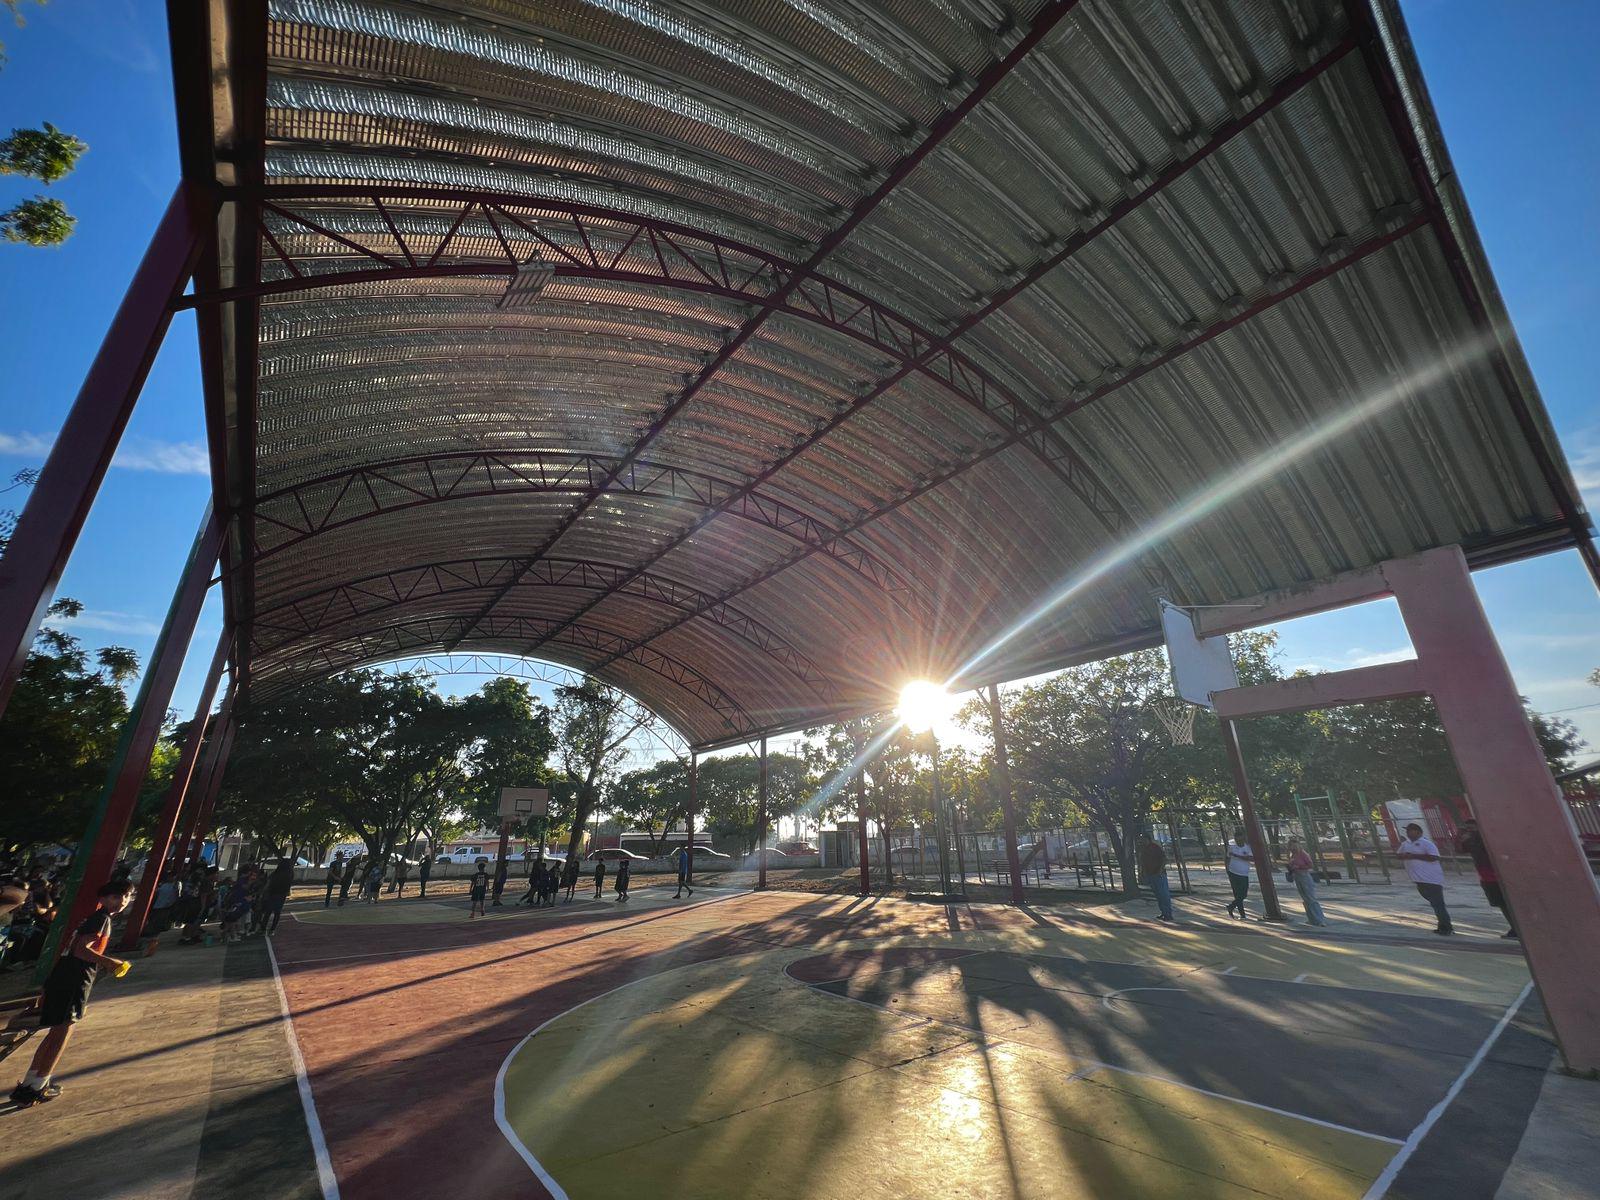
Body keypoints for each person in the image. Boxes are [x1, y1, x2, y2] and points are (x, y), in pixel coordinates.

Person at [10, 880, 134, 1107]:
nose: (122, 901)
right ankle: (38, 1087)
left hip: (63, 976)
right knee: (63, 1033)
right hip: (75, 979)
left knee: (54, 1033)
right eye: (117, 897)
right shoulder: (102, 919)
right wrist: (111, 962)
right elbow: (81, 950)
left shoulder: (92, 918)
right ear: (104, 899)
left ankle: (31, 1082)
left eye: (126, 897)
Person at [1457, 819, 1516, 938]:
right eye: (1469, 828)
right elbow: (1460, 850)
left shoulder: (1486, 838)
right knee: (1501, 904)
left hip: (1497, 875)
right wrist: (1461, 838)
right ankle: (1514, 928)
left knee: (1508, 904)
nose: (1471, 830)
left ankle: (1517, 928)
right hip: (1486, 876)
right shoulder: (1470, 839)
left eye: (1473, 828)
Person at [1397, 822, 1453, 935]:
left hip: (1432, 879)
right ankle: (1442, 925)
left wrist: (1414, 856)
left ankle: (1446, 927)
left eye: (1411, 830)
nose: (1408, 833)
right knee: (1433, 902)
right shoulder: (1406, 844)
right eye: (1407, 831)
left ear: (1418, 832)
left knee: (1438, 904)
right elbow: (1398, 855)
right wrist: (1404, 856)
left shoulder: (1426, 843)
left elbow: (1434, 857)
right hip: (1418, 879)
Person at [1283, 838, 1327, 927]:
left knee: (1311, 898)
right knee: (1305, 899)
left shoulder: (1302, 854)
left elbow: (1310, 864)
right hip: (1297, 877)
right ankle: (1311, 919)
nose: (1292, 848)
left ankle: (1320, 920)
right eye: (1290, 846)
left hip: (1304, 876)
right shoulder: (1292, 855)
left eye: (1293, 846)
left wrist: (1299, 866)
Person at [1137, 833, 1172, 922]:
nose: (1142, 841)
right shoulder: (1143, 849)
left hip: (1159, 874)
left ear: (1148, 839)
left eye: (1143, 839)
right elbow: (1143, 862)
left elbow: (1164, 859)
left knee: (1163, 894)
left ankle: (1168, 914)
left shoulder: (1155, 847)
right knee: (1158, 895)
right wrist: (1143, 872)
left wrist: (1160, 870)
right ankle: (1163, 912)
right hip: (1150, 874)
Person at [1224, 828, 1253, 919]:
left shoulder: (1247, 847)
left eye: (1240, 839)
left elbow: (1250, 858)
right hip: (1233, 873)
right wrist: (1227, 869)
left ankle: (1231, 906)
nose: (1238, 841)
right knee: (1237, 894)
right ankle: (1242, 915)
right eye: (1237, 839)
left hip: (1244, 873)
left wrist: (1237, 856)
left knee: (1243, 894)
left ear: (1243, 838)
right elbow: (1227, 858)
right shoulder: (1232, 847)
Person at [262, 857, 294, 934]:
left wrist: (265, 891)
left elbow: (269, 882)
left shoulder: (276, 873)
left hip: (272, 893)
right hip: (281, 894)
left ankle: (263, 928)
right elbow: (289, 884)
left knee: (268, 912)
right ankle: (272, 929)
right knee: (277, 912)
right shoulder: (289, 873)